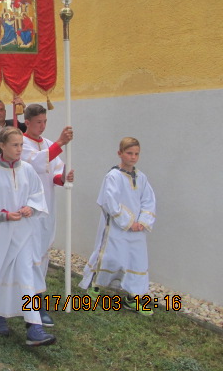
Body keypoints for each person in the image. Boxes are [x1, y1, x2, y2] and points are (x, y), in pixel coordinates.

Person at [0, 126, 56, 346]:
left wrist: (30, 208)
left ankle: (34, 327)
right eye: (15, 145)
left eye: (21, 145)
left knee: (26, 274)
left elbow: (37, 194)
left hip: (23, 234)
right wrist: (2, 215)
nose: (19, 149)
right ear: (1, 146)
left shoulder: (28, 170)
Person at [79, 137, 156, 315]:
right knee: (110, 257)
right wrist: (128, 222)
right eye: (129, 153)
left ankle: (133, 297)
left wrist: (143, 222)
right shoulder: (113, 176)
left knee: (136, 261)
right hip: (116, 227)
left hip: (137, 231)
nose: (133, 157)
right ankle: (95, 286)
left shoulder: (142, 178)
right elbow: (110, 201)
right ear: (119, 153)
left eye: (136, 154)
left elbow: (148, 200)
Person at [21, 104, 74, 326]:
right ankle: (33, 302)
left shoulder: (49, 144)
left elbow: (54, 172)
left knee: (42, 254)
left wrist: (64, 178)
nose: (42, 126)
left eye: (44, 122)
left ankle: (37, 295)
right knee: (30, 255)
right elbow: (36, 163)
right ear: (27, 122)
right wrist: (61, 143)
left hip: (47, 207)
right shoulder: (21, 143)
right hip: (29, 209)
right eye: (38, 122)